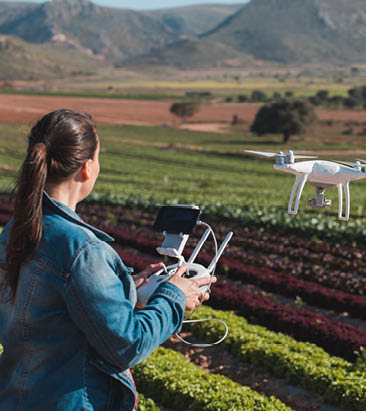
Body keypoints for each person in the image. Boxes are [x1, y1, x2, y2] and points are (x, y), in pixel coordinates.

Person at [0, 109, 213, 410]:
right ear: (87, 168)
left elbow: (48, 312)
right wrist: (174, 296)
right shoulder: (83, 250)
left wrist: (125, 289)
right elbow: (128, 346)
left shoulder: (16, 230)